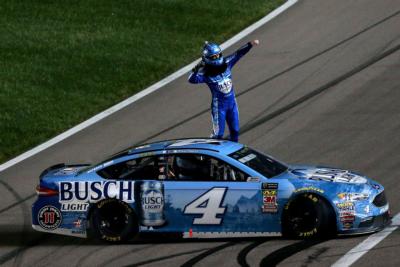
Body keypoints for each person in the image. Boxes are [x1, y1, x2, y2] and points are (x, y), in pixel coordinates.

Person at [188, 39, 259, 142]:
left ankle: (232, 152)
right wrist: (195, 69)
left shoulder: (227, 63)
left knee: (235, 131)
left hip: (232, 104)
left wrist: (250, 44)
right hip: (219, 108)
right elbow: (191, 79)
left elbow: (238, 54)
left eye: (218, 55)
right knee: (218, 135)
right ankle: (207, 153)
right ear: (207, 59)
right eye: (213, 57)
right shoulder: (205, 74)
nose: (217, 58)